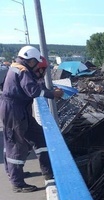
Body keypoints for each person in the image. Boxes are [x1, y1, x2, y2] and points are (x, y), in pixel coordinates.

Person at [0, 46, 63, 192]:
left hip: (20, 109)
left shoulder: (17, 67)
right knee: (16, 144)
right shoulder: (22, 70)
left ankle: (47, 171)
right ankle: (17, 182)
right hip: (14, 110)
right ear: (32, 60)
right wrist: (53, 94)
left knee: (38, 136)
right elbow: (33, 90)